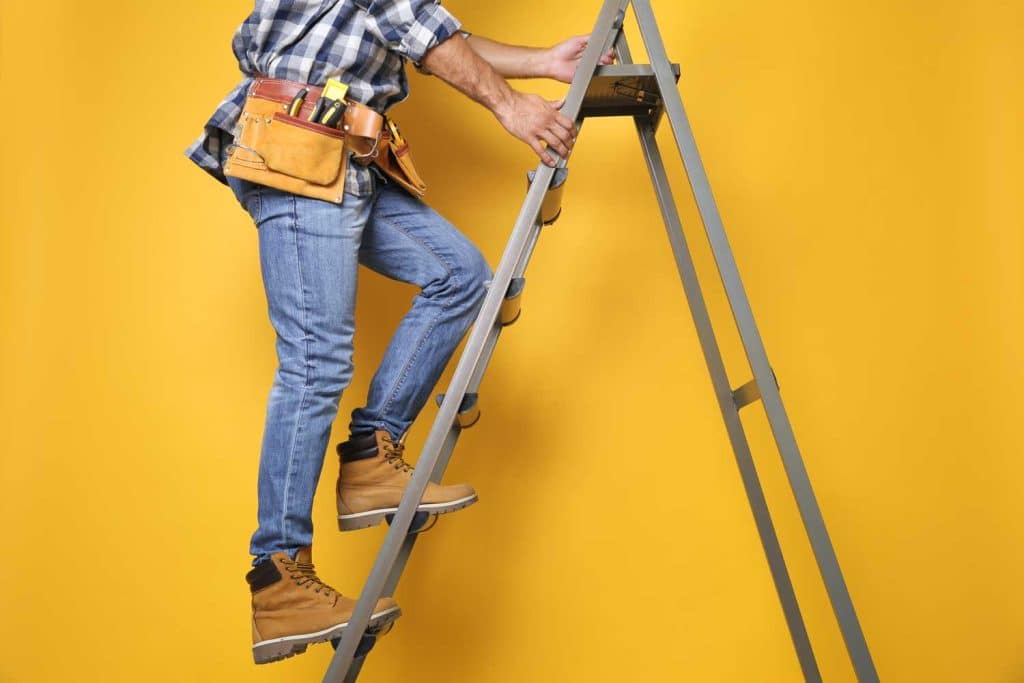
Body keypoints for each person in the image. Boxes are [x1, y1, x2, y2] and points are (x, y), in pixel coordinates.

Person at [185, 0, 612, 665]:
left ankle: (369, 455)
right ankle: (278, 578)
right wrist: (512, 106)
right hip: (303, 145)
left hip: (348, 153)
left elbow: (428, 33)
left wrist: (541, 64)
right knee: (314, 364)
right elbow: (419, 26)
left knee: (460, 275)